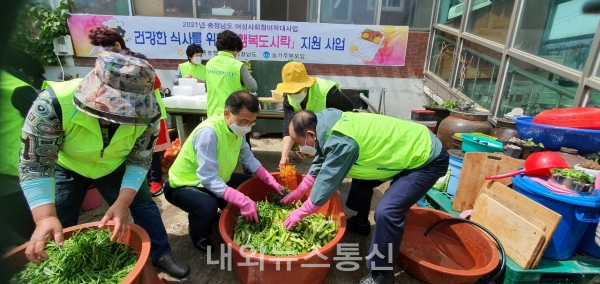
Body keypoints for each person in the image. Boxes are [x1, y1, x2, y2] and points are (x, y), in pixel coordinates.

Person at [18, 51, 189, 278]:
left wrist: (122, 202)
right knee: (60, 220)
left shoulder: (148, 114)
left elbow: (140, 160)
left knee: (144, 206)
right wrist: (44, 217)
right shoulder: (53, 103)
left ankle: (160, 253)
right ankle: (57, 269)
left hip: (114, 165)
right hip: (67, 165)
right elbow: (36, 163)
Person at [282, 109, 449, 284]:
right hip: (402, 152)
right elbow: (322, 159)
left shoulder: (341, 140)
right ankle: (361, 223)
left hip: (426, 158)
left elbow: (327, 181)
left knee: (387, 212)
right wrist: (300, 190)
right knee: (362, 178)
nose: (298, 148)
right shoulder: (325, 126)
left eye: (297, 142)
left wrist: (301, 212)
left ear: (310, 135)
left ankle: (382, 274)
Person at [164, 91, 283, 252]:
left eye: (252, 122)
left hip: (216, 177)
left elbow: (248, 158)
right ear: (227, 113)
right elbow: (207, 177)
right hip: (185, 183)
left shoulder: (236, 130)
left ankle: (215, 212)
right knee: (207, 206)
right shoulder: (209, 133)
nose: (247, 127)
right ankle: (200, 235)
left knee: (248, 184)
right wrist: (242, 200)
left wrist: (269, 179)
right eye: (243, 121)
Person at [88, 26, 171, 196]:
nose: (104, 53)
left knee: (150, 150)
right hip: (120, 114)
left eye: (107, 47)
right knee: (130, 149)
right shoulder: (105, 66)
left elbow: (156, 84)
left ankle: (155, 180)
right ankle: (144, 179)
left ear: (117, 45)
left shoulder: (137, 62)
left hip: (146, 114)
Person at [275, 61, 353, 169]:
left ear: (306, 85)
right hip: (314, 132)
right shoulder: (288, 99)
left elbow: (349, 111)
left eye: (297, 90)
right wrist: (284, 155)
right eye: (289, 91)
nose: (293, 94)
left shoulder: (328, 93)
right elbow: (288, 127)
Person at [0, 47, 40, 253]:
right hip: (15, 170)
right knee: (33, 227)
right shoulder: (18, 87)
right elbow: (45, 132)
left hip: (13, 174)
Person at [205, 29, 258, 174]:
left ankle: (218, 175)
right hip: (236, 115)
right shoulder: (237, 65)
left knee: (217, 147)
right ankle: (246, 174)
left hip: (215, 115)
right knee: (241, 145)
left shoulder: (209, 64)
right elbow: (253, 86)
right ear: (235, 49)